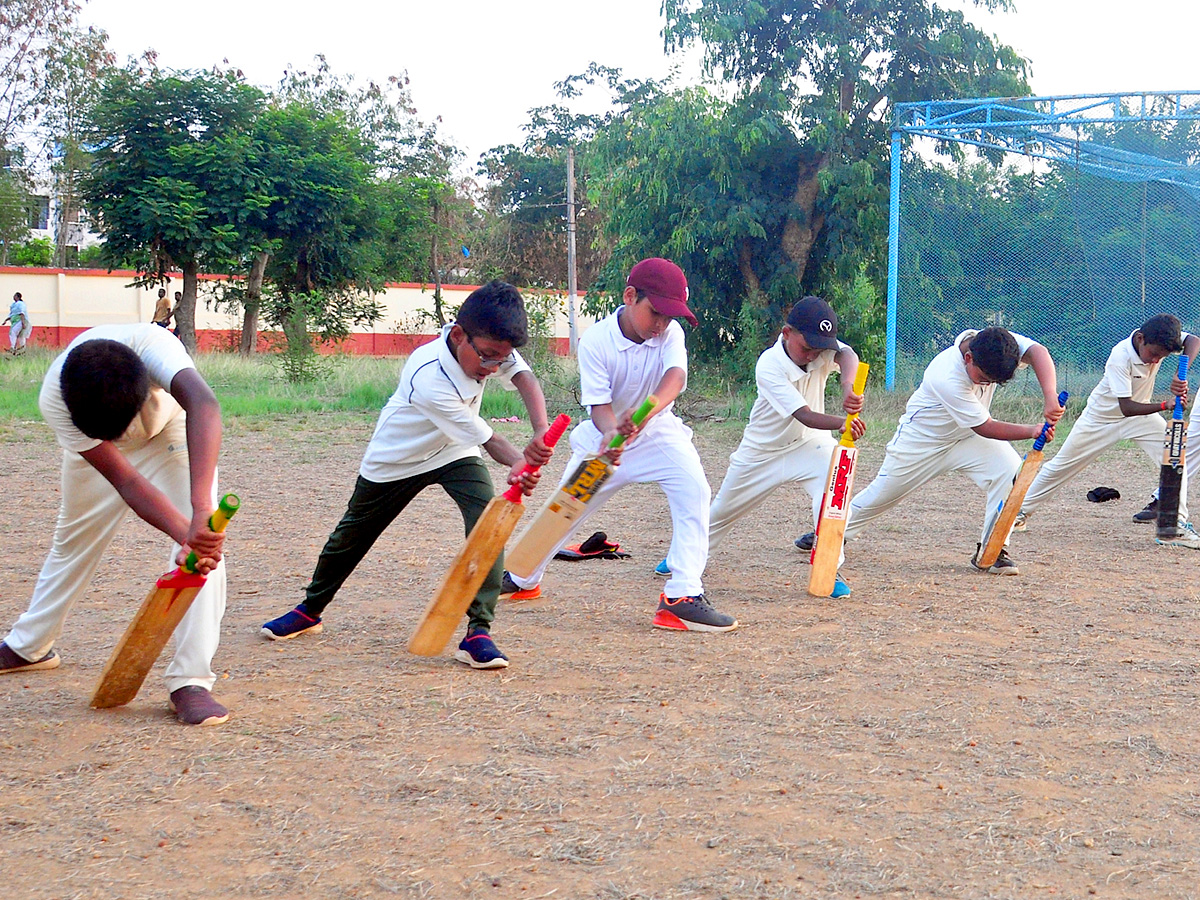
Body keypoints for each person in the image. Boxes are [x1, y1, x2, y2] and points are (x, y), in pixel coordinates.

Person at [260, 280, 554, 669]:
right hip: (398, 459)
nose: (492, 368)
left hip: (453, 450)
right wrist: (520, 462)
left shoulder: (492, 346)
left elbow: (524, 378)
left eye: (501, 359)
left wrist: (539, 432)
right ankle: (310, 609)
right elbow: (491, 440)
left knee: (488, 519)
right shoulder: (428, 374)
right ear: (458, 335)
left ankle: (478, 631)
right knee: (351, 536)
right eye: (486, 357)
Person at [0, 324, 230, 726]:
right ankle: (29, 646)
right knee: (73, 541)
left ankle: (190, 681)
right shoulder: (57, 399)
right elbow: (126, 481)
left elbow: (205, 406)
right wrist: (181, 530)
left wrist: (198, 515)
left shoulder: (157, 349)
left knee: (208, 546)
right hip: (101, 453)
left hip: (169, 430)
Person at [501, 257, 739, 633]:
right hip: (604, 441)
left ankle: (681, 595)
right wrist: (614, 435)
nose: (661, 324)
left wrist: (644, 415)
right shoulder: (596, 341)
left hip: (657, 432)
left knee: (695, 489)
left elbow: (675, 378)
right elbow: (600, 409)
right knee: (564, 509)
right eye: (655, 312)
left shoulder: (670, 333)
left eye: (669, 316)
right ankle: (521, 579)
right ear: (630, 296)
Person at [656, 296, 864, 597]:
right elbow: (803, 414)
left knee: (833, 490)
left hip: (810, 445)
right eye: (807, 348)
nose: (812, 355)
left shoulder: (818, 349)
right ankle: (680, 557)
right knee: (721, 512)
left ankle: (828, 567)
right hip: (762, 453)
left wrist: (848, 387)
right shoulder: (769, 364)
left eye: (819, 349)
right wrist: (842, 423)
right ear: (786, 333)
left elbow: (848, 355)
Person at [829, 326, 1064, 576]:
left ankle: (992, 550)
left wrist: (1050, 397)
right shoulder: (946, 374)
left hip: (967, 438)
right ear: (968, 358)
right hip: (923, 441)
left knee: (1010, 472)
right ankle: (831, 533)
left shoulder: (997, 343)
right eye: (984, 378)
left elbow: (1038, 352)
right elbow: (986, 426)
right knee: (882, 495)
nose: (987, 384)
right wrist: (1031, 430)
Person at [1019, 314, 1200, 547]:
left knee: (1176, 458)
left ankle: (1173, 525)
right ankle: (1019, 514)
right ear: (1141, 338)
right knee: (1061, 466)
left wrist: (1179, 370)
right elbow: (1126, 407)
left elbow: (1193, 340)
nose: (1155, 361)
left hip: (1141, 418)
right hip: (1101, 418)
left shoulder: (1161, 337)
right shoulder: (1120, 355)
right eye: (1153, 354)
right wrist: (1166, 405)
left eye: (1162, 357)